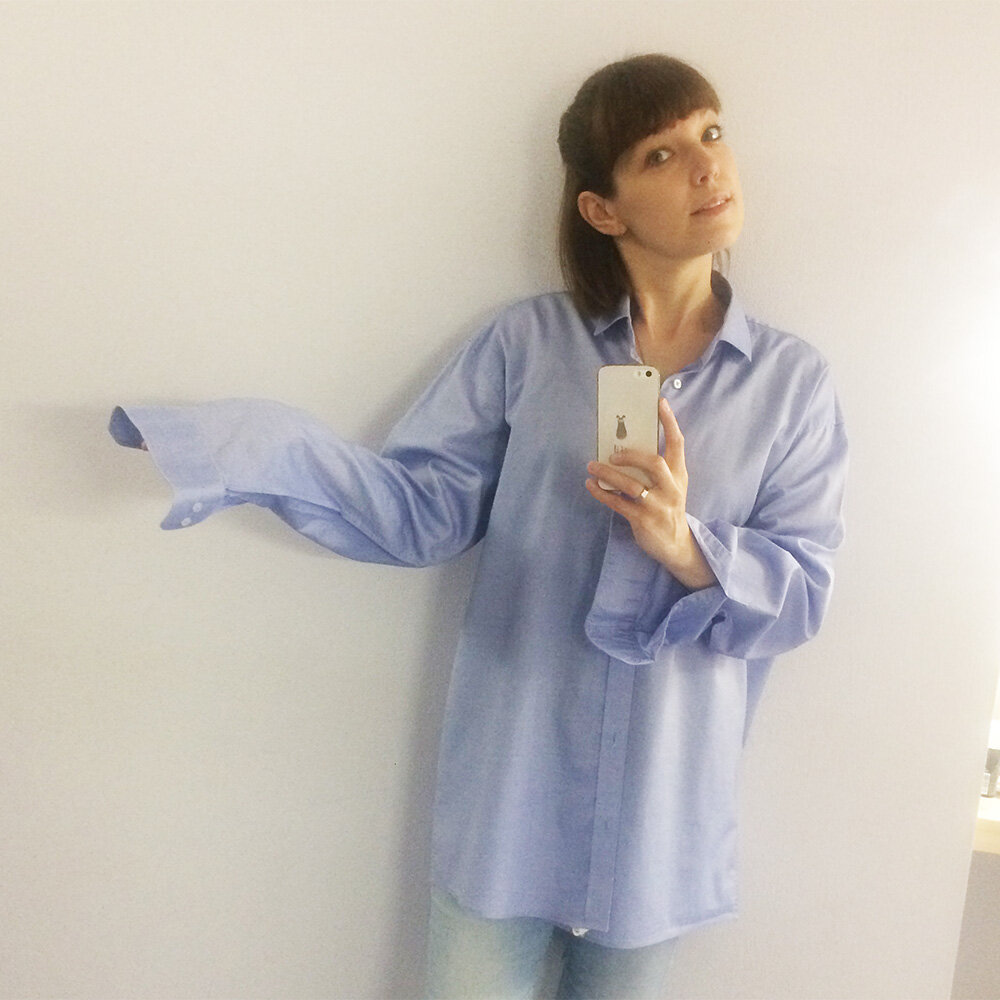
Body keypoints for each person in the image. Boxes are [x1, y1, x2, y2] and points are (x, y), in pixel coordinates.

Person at [110, 54, 847, 1000]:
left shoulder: (791, 384)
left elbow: (803, 593)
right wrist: (251, 446)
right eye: (661, 155)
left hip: (659, 830)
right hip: (511, 803)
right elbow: (421, 513)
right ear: (603, 209)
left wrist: (685, 544)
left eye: (711, 133)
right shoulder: (525, 345)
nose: (709, 166)